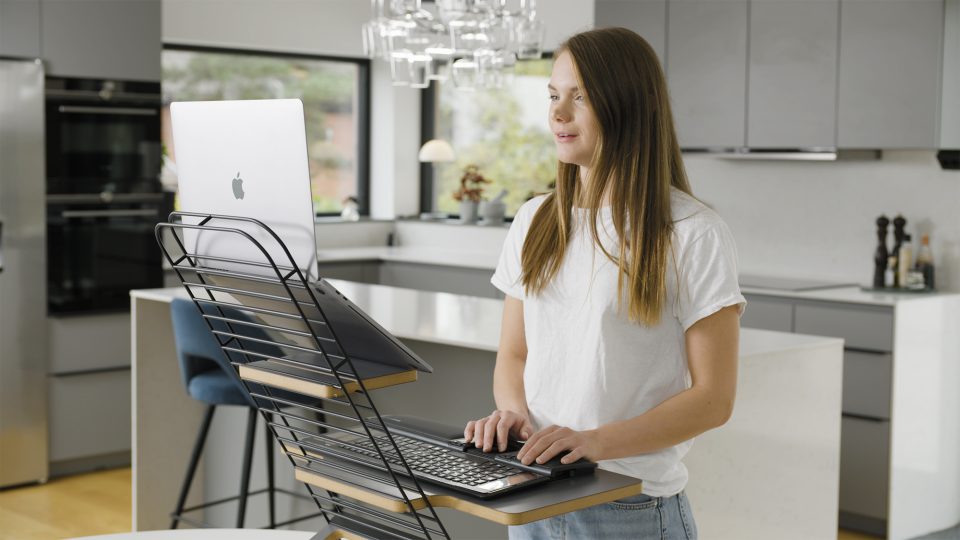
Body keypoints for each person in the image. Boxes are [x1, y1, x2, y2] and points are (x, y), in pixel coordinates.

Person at [463, 27, 746, 539]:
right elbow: (515, 356)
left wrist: (595, 442)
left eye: (580, 97)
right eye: (553, 95)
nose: (558, 113)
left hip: (629, 510)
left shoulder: (692, 233)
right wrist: (512, 415)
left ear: (628, 105)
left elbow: (713, 399)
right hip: (533, 497)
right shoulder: (534, 220)